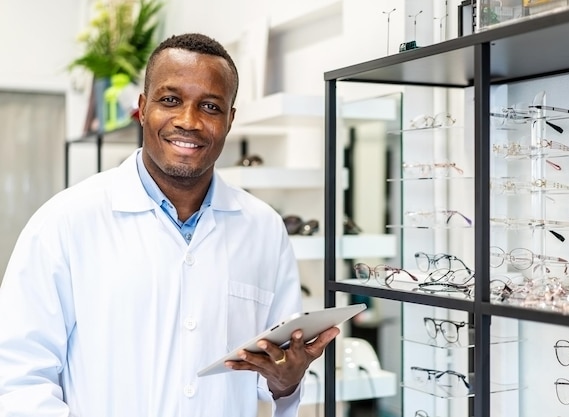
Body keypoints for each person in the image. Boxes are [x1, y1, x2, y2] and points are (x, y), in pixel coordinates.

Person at [0, 33, 339, 417]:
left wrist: (286, 381)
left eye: (210, 106)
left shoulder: (264, 229)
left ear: (230, 119)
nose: (188, 121)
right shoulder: (63, 222)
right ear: (143, 108)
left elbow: (273, 373)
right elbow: (19, 378)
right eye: (170, 100)